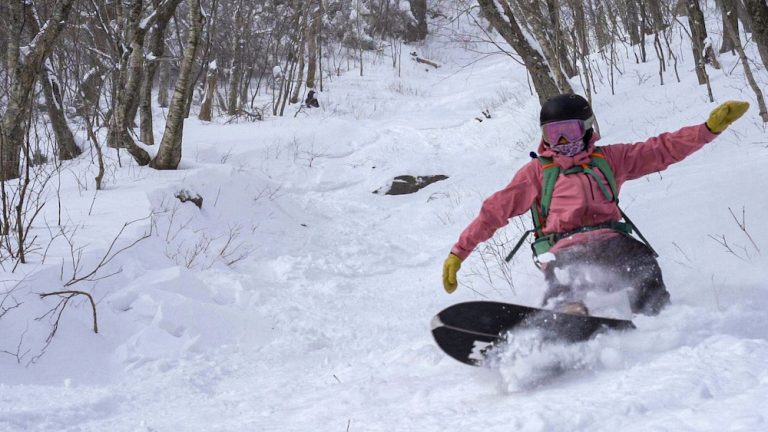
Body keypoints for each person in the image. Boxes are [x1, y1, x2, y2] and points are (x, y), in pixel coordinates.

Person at [442, 94, 749, 316]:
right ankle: (563, 320)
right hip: (563, 250)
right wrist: (459, 253)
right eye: (554, 134)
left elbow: (662, 150)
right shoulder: (537, 173)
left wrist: (708, 129)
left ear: (587, 128)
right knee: (565, 278)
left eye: (570, 132)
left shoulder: (609, 160)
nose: (562, 142)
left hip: (611, 242)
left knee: (642, 262)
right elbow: (494, 211)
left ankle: (657, 320)